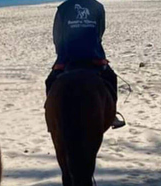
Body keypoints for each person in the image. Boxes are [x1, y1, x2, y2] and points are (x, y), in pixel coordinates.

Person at [46, 0, 125, 129]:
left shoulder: (64, 8)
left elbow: (57, 35)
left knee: (50, 82)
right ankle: (111, 115)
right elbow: (100, 32)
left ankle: (51, 119)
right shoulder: (98, 7)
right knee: (110, 78)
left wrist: (61, 54)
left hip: (68, 58)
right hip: (93, 57)